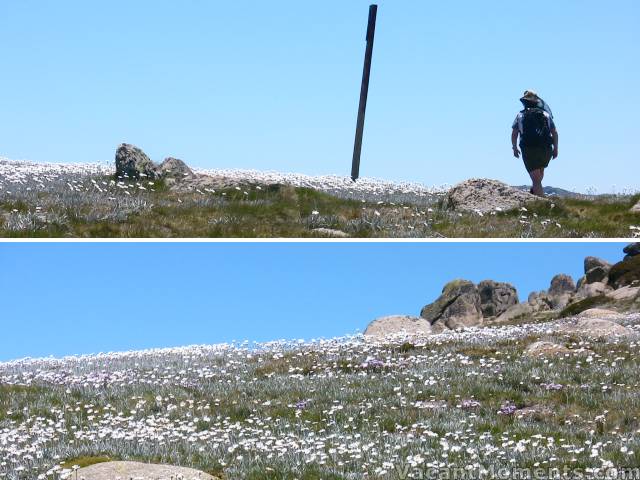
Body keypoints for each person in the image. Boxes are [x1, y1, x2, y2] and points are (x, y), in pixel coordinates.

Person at [511, 90, 559, 196]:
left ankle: (541, 205)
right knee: (539, 174)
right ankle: (534, 193)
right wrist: (555, 148)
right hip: (546, 148)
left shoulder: (520, 115)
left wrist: (514, 147)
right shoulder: (546, 114)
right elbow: (554, 132)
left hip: (529, 148)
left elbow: (514, 133)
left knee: (536, 179)